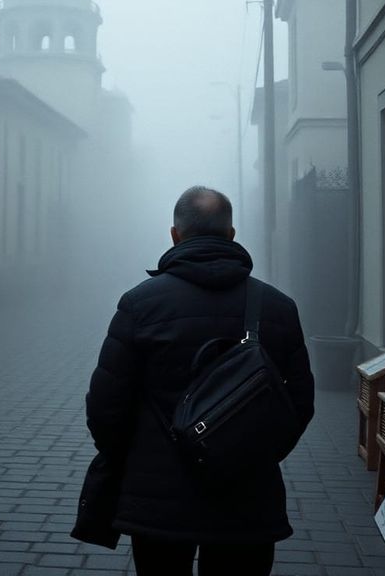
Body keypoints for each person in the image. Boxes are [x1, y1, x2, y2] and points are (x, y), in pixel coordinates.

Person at [83, 186, 314, 576]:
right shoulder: (277, 307)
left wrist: (133, 458)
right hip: (248, 498)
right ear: (232, 234)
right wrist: (253, 453)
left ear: (175, 234)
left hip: (157, 497)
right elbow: (300, 406)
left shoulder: (140, 303)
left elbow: (106, 407)